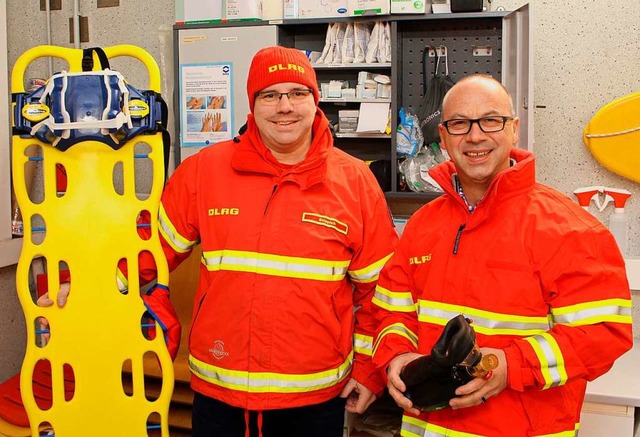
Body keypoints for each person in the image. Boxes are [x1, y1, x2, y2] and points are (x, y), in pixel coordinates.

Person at [40, 45, 398, 436]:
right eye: (270, 95)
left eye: (298, 93)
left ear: (316, 102)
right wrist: (87, 286)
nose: (285, 107)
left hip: (313, 396)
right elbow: (149, 253)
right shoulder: (204, 172)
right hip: (219, 390)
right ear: (253, 104)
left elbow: (380, 294)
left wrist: (368, 371)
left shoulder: (356, 183)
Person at [371, 74, 633, 436]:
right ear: (444, 138)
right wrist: (397, 357)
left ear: (514, 130)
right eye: (460, 124)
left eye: (491, 121)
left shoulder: (571, 230)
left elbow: (603, 333)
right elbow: (389, 312)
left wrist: (510, 365)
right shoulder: (421, 226)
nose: (475, 136)